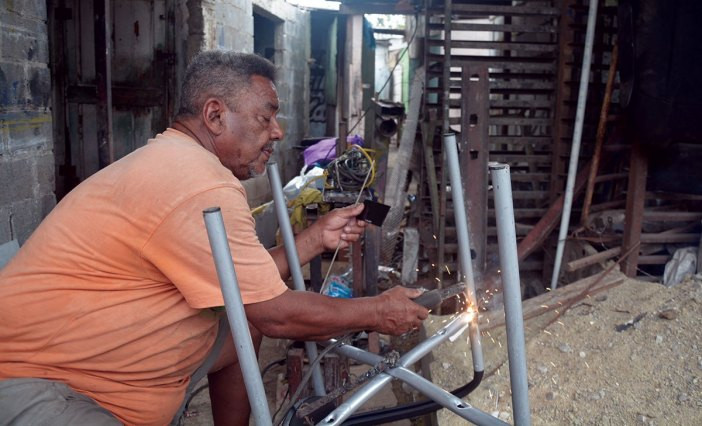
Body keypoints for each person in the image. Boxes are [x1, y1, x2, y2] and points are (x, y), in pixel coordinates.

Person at [0, 51, 428, 425]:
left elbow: (242, 287)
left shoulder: (180, 163)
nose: (277, 131)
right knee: (254, 321)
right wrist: (377, 311)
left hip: (90, 366)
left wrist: (313, 239)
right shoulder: (198, 183)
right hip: (46, 385)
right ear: (215, 115)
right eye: (266, 116)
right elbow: (275, 315)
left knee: (234, 333)